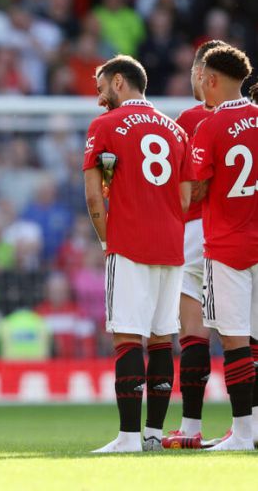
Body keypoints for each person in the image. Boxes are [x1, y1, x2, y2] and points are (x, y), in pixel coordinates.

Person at [83, 55, 193, 453]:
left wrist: (105, 240)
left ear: (118, 82)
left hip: (129, 244)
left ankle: (128, 438)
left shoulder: (105, 125)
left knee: (128, 337)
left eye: (101, 89)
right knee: (162, 339)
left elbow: (94, 195)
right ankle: (153, 435)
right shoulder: (176, 130)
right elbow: (185, 197)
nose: (100, 99)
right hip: (172, 247)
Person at [190, 44, 257, 451]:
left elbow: (197, 189)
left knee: (234, 341)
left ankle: (243, 433)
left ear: (211, 79)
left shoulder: (211, 126)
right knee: (256, 341)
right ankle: (256, 428)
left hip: (228, 247)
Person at [163, 40, 225, 447]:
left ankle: (190, 428)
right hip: (242, 231)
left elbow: (183, 183)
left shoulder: (189, 119)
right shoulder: (251, 119)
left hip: (196, 232)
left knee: (194, 333)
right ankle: (249, 426)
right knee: (244, 335)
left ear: (202, 74)